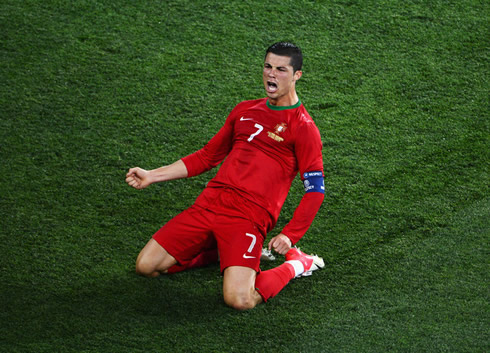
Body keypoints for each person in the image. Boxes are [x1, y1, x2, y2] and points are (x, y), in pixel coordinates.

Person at [126, 42, 325, 310]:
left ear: (296, 75)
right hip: (210, 204)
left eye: (280, 69)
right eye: (267, 67)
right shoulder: (244, 110)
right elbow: (207, 156)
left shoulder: (303, 127)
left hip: (248, 216)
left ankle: (296, 264)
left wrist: (290, 235)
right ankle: (221, 252)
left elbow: (315, 190)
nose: (271, 75)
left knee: (240, 300)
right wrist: (152, 175)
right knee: (146, 266)